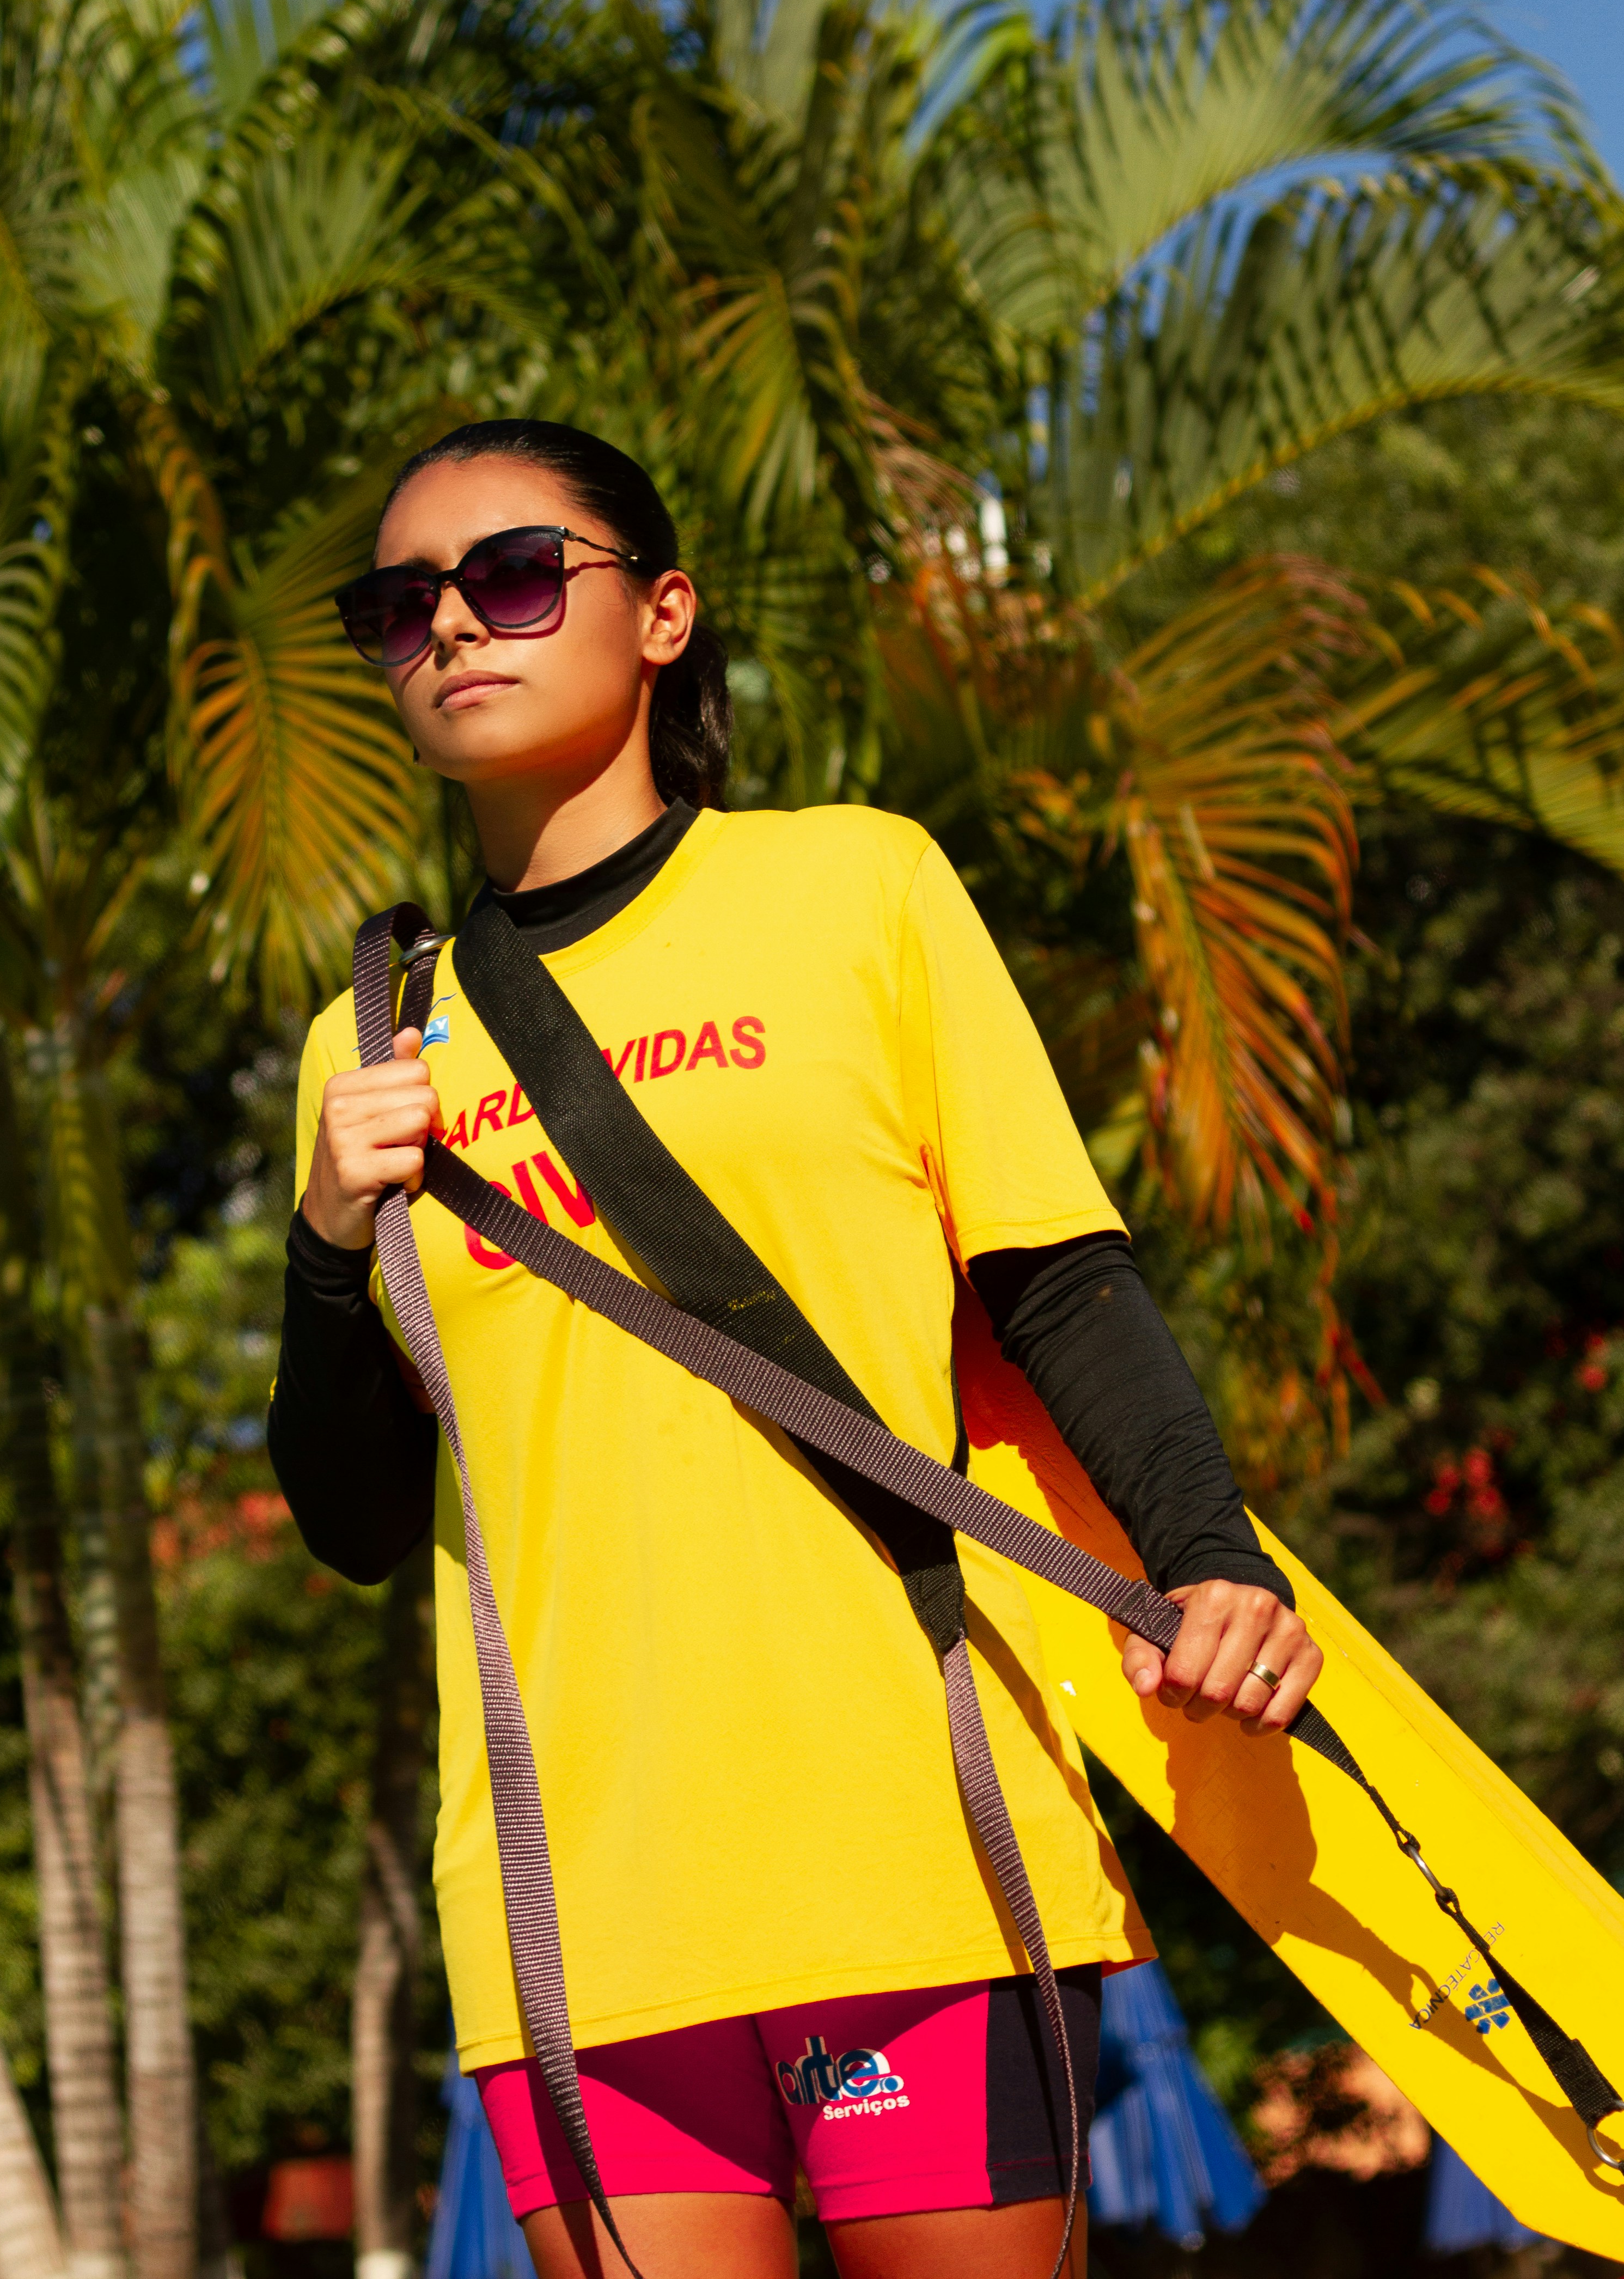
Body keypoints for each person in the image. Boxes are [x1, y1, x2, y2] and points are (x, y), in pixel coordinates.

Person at [272, 420, 1322, 2279]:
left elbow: (1057, 1281)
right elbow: (354, 1516)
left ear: (661, 614)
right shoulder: (374, 1036)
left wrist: (1211, 1557)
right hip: (571, 1905)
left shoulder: (860, 891)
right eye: (400, 604)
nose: (454, 627)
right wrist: (327, 1248)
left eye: (514, 575)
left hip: (911, 1834)